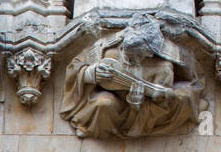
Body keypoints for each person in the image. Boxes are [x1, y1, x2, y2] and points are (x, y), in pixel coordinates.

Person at [60, 12, 203, 137]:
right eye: (125, 52)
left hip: (145, 108)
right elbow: (76, 65)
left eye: (136, 55)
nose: (128, 58)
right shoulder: (107, 48)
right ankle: (90, 125)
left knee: (183, 95)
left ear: (149, 54)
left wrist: (136, 104)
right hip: (114, 104)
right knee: (103, 103)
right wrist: (90, 73)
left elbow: (165, 101)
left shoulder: (164, 67)